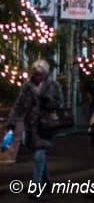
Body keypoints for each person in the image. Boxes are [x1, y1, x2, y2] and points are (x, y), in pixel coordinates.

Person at [7, 59, 63, 189]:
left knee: (39, 154)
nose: (38, 76)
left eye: (40, 74)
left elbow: (60, 102)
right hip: (32, 125)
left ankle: (36, 186)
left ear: (46, 74)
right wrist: (12, 122)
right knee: (40, 154)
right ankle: (47, 182)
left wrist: (48, 103)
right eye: (36, 73)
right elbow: (18, 105)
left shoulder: (53, 85)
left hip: (47, 125)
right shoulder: (27, 86)